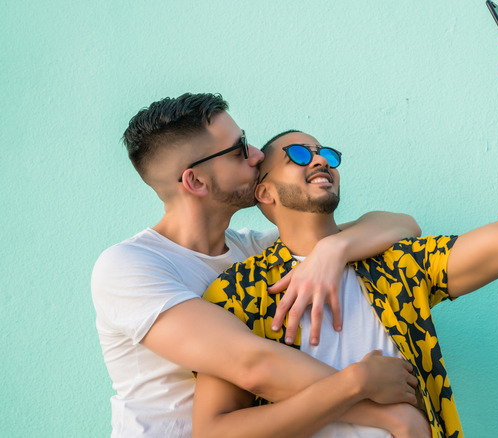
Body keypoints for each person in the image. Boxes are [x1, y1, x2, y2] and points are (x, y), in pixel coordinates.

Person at [195, 18, 498, 438]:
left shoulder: (395, 264)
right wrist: (353, 385)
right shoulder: (242, 289)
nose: (321, 159)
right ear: (265, 193)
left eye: (325, 152)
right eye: (299, 155)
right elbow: (216, 432)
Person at [91, 92, 428, 437]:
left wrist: (334, 250)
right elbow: (254, 365)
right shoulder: (129, 267)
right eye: (240, 150)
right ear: (196, 181)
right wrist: (379, 404)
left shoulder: (254, 250)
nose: (257, 156)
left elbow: (400, 225)